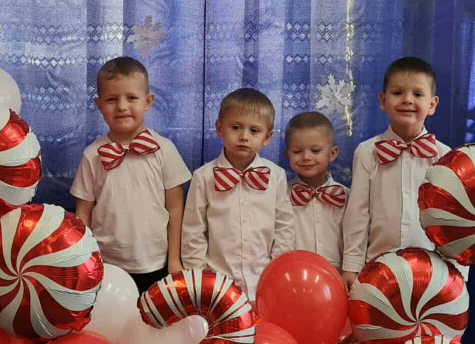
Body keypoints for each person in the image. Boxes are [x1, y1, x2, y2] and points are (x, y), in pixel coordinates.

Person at [341, 56, 461, 344]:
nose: (407, 100)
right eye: (398, 93)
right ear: (382, 100)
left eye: (417, 94)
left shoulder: (446, 156)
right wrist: (351, 266)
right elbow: (357, 213)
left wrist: (457, 274)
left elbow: (455, 219)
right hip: (380, 274)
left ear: (433, 104)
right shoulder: (367, 153)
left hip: (431, 276)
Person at [71, 57, 191, 295]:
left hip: (155, 262)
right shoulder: (92, 155)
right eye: (112, 99)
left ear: (148, 102)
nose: (122, 106)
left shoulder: (164, 149)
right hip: (106, 262)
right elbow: (82, 213)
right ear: (98, 104)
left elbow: (176, 208)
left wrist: (174, 259)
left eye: (131, 98)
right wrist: (84, 257)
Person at [181, 88, 294, 299]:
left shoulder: (276, 176)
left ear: (267, 137)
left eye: (254, 131)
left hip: (265, 283)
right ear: (219, 128)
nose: (244, 137)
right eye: (236, 127)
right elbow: (193, 232)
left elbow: (284, 228)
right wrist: (201, 279)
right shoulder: (203, 177)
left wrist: (277, 273)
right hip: (217, 285)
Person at [283, 111, 348, 270]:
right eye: (297, 152)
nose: (306, 157)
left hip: (338, 278)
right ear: (287, 155)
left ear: (332, 154)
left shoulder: (346, 196)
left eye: (315, 151)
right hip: (295, 277)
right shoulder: (282, 196)